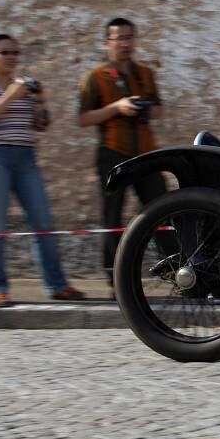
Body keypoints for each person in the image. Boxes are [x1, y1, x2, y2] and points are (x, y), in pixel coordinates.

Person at [0, 34, 86, 307]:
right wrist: (11, 94)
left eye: (15, 52)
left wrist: (40, 101)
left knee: (42, 221)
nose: (12, 57)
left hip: (25, 158)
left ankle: (57, 285)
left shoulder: (24, 87)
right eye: (5, 53)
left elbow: (42, 125)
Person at [77, 18, 165, 288]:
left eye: (129, 37)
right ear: (107, 42)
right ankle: (115, 280)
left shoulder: (145, 73)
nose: (125, 43)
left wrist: (145, 109)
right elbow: (83, 118)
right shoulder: (95, 77)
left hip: (146, 152)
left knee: (163, 211)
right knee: (111, 217)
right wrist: (117, 107)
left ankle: (178, 269)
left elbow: (160, 109)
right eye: (119, 38)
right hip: (112, 153)